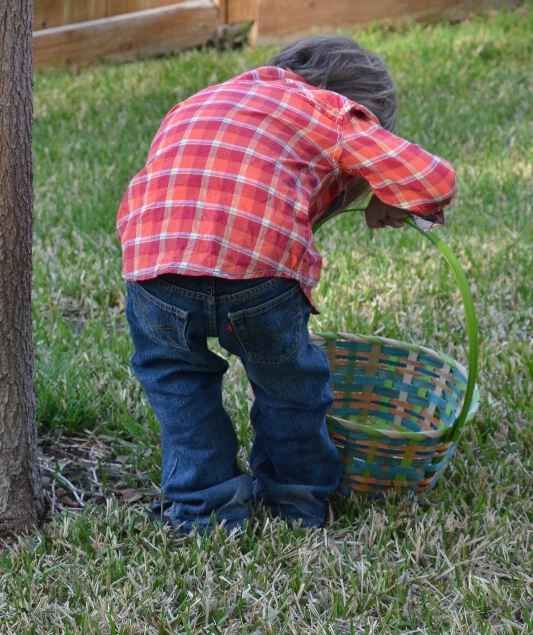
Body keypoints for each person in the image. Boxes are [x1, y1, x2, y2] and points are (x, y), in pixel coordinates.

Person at [117, 35, 456, 534]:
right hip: (259, 271)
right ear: (362, 108)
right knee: (290, 386)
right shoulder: (332, 110)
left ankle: (203, 512)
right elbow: (434, 179)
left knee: (178, 386)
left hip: (154, 262)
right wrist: (389, 191)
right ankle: (294, 503)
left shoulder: (205, 98)